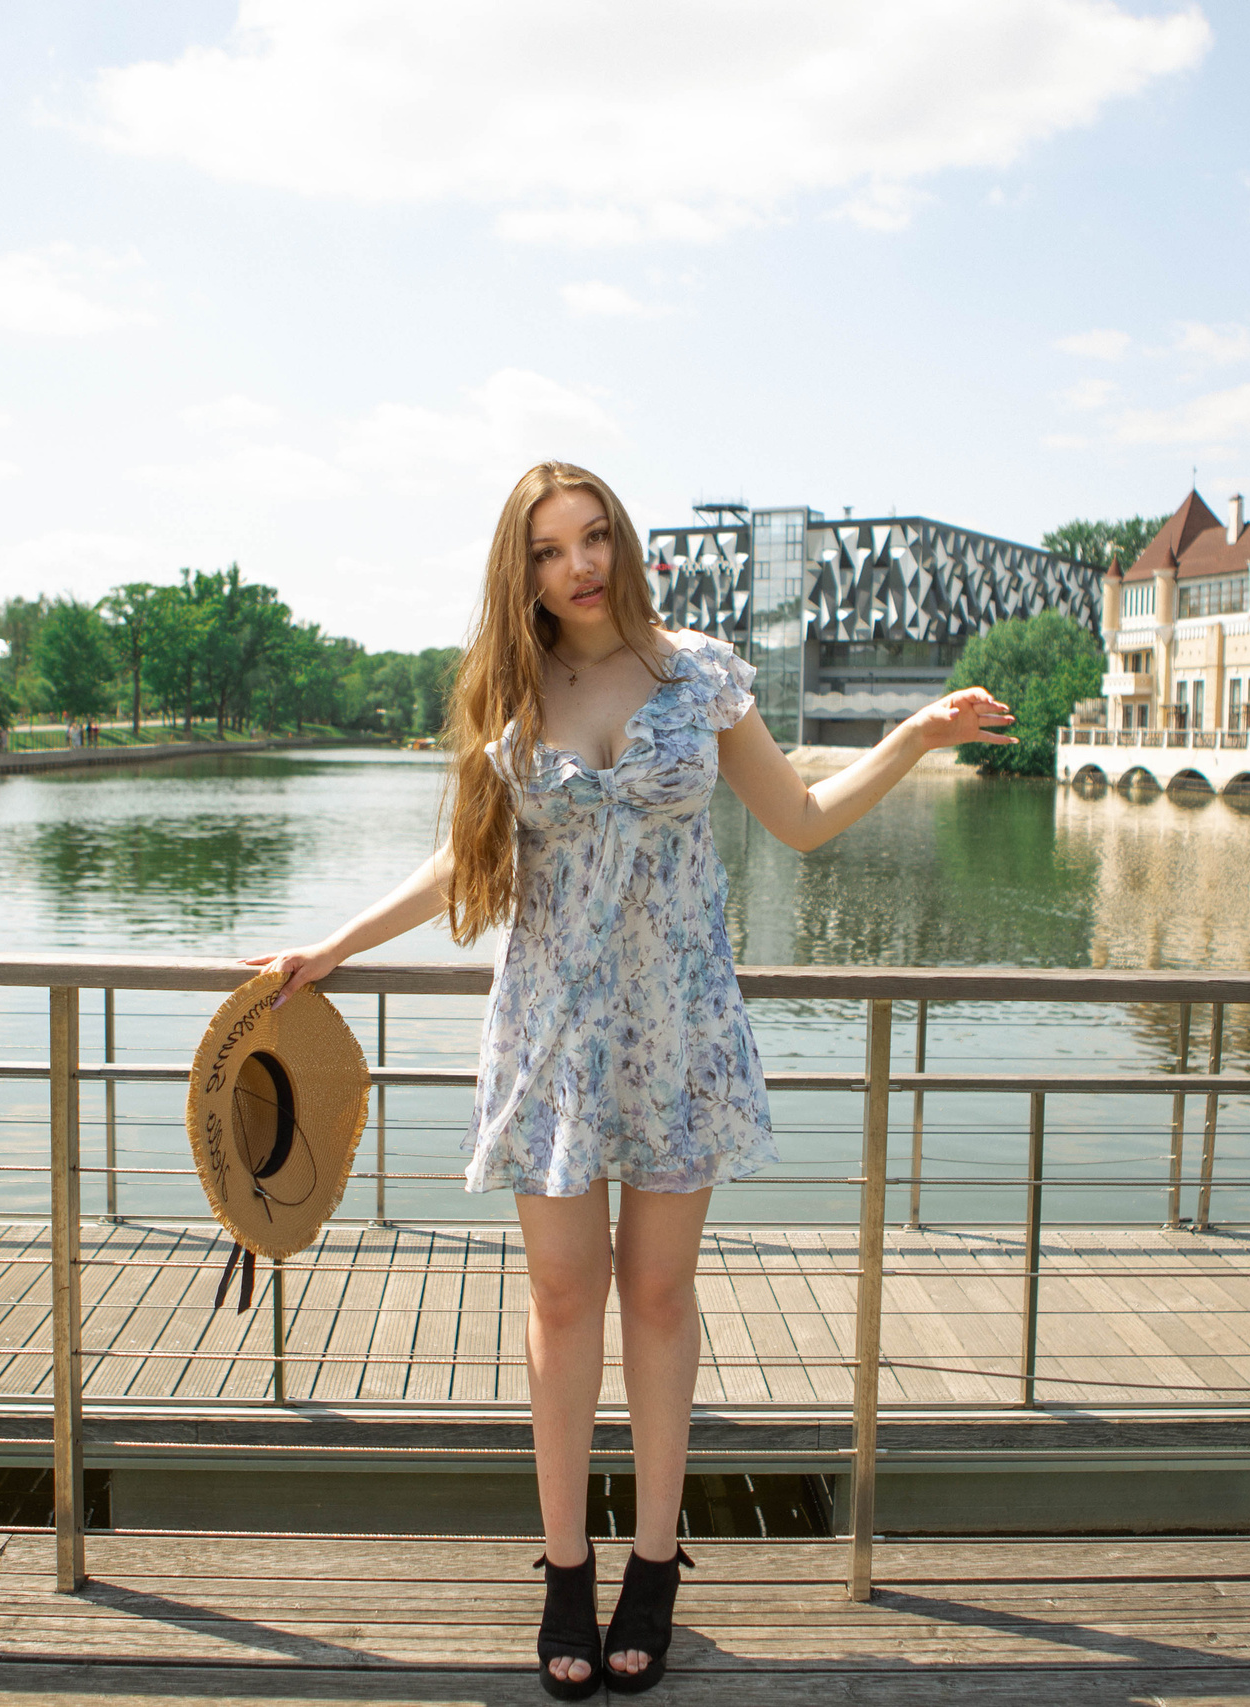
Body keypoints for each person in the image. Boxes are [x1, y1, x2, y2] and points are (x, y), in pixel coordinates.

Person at [249, 462, 1012, 1697]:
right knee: (560, 1305)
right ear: (524, 569)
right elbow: (463, 861)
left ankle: (654, 1562)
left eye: (594, 537)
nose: (579, 566)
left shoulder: (695, 670)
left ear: (624, 543)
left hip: (677, 1026)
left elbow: (802, 822)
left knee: (658, 1295)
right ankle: (564, 1571)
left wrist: (917, 736)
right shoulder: (510, 690)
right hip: (552, 1030)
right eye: (550, 550)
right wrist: (329, 949)